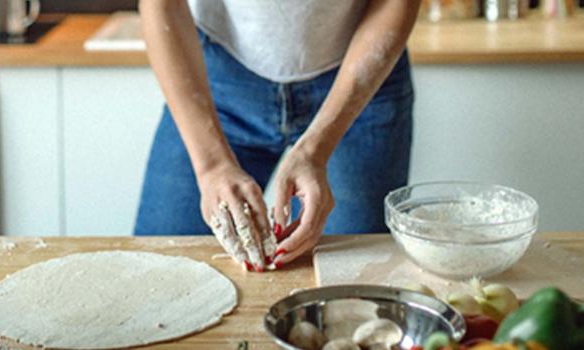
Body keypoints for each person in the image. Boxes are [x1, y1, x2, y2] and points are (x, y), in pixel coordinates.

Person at [135, 0, 420, 272]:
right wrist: (211, 165)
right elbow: (162, 6)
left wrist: (315, 150)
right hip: (219, 76)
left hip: (357, 73)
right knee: (156, 270)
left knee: (354, 288)